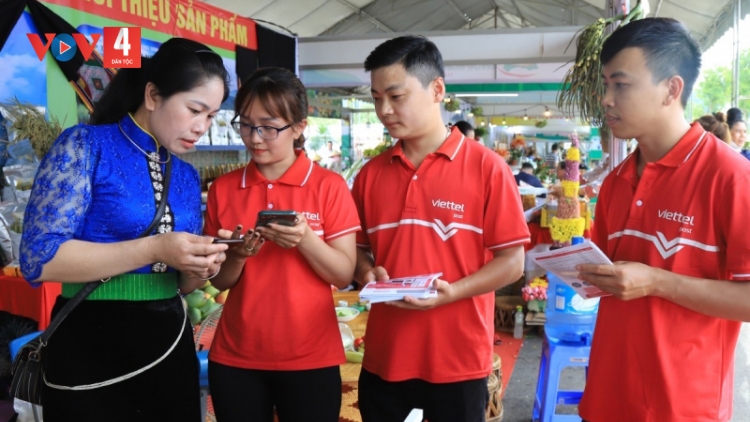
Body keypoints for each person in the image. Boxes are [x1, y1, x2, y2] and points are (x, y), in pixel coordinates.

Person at [19, 38, 231, 421]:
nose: (202, 127)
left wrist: (199, 268)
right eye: (195, 110)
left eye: (213, 116)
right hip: (91, 347)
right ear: (152, 95)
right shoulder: (86, 146)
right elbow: (38, 258)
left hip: (169, 346)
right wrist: (154, 249)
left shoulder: (184, 175)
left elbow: (178, 283)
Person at [576, 18, 750, 422]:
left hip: (683, 406)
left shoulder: (730, 177)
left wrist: (656, 281)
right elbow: (609, 278)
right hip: (607, 395)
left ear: (671, 89)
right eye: (606, 85)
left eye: (620, 85)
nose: (606, 99)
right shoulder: (617, 182)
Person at [352, 35, 529, 422]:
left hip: (458, 360)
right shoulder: (370, 175)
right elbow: (358, 250)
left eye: (396, 96)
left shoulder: (487, 168)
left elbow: (512, 263)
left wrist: (453, 293)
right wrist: (367, 271)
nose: (384, 109)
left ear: (437, 89)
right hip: (385, 356)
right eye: (376, 97)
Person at [204, 67, 361, 422]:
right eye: (245, 124)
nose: (255, 138)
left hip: (311, 356)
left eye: (269, 127)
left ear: (300, 127)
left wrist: (306, 239)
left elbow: (343, 272)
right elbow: (218, 282)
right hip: (236, 357)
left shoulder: (329, 187)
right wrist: (238, 256)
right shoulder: (224, 189)